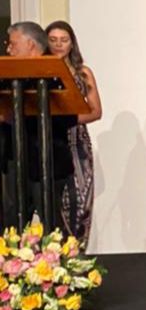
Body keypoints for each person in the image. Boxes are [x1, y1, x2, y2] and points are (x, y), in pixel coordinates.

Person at [1, 22, 77, 232]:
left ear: (30, 45)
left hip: (48, 161)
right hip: (16, 161)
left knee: (52, 226)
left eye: (13, 44)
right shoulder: (6, 75)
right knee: (12, 224)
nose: (9, 50)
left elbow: (69, 115)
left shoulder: (55, 73)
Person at [45, 21, 102, 244]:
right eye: (53, 40)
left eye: (64, 40)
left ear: (72, 44)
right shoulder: (42, 72)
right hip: (50, 141)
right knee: (54, 204)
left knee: (80, 203)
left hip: (77, 143)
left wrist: (65, 120)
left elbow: (95, 111)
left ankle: (77, 252)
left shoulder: (83, 73)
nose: (58, 45)